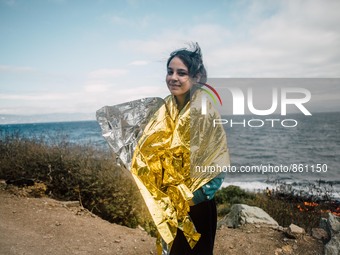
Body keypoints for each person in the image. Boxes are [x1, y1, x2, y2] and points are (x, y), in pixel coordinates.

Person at [163, 43, 230, 254]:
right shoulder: (165, 109)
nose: (173, 77)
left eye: (181, 73)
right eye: (170, 71)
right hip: (172, 201)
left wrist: (193, 198)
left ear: (196, 77)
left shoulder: (204, 112)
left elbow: (218, 166)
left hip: (197, 205)